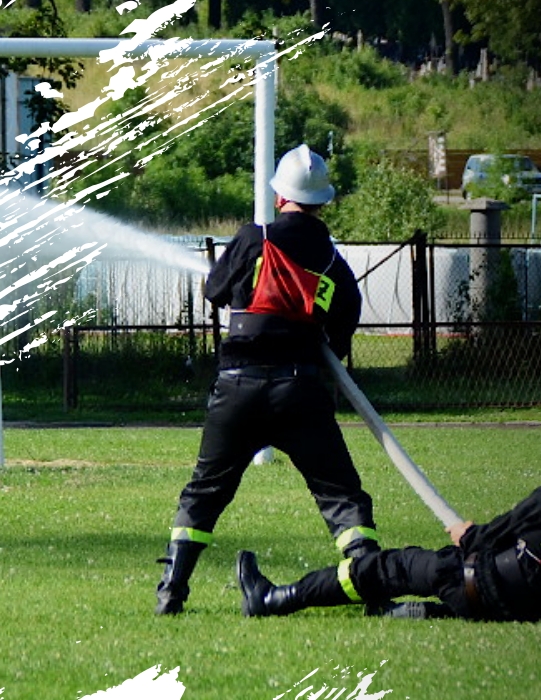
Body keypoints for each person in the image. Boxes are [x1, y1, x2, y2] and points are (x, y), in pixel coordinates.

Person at [154, 144, 378, 615]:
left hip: (236, 386)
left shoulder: (253, 239)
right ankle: (371, 578)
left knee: (205, 490)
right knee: (340, 493)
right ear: (323, 202)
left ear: (280, 197)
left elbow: (214, 291)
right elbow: (342, 330)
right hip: (301, 390)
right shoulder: (335, 264)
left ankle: (171, 590)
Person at [235, 426, 541, 622]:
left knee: (385, 567)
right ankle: (419, 615)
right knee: (418, 586)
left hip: (470, 582)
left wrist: (468, 534)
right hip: (507, 612)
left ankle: (275, 599)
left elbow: (493, 534)